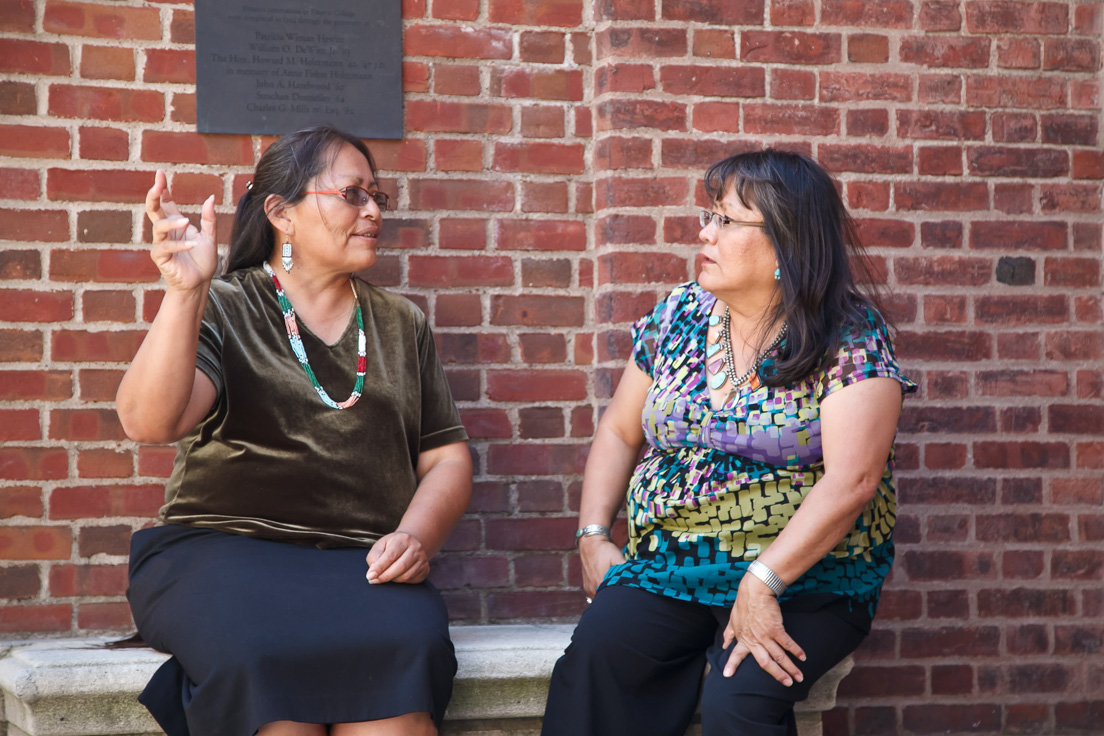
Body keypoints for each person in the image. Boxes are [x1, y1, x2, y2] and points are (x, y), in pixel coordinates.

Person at [541, 150, 915, 736]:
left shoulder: (850, 335)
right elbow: (619, 429)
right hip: (670, 565)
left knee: (738, 702)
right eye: (707, 215)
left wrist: (762, 580)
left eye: (725, 220)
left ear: (785, 244)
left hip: (806, 578)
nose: (703, 232)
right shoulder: (679, 316)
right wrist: (592, 535)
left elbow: (854, 480)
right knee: (594, 666)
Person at [117, 126, 472, 736]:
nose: (372, 212)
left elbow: (445, 458)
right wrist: (184, 294)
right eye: (352, 194)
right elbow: (150, 422)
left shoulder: (399, 323)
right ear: (280, 212)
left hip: (359, 563)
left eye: (377, 198)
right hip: (220, 551)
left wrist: (415, 537)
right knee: (270, 686)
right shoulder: (226, 305)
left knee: (402, 682)